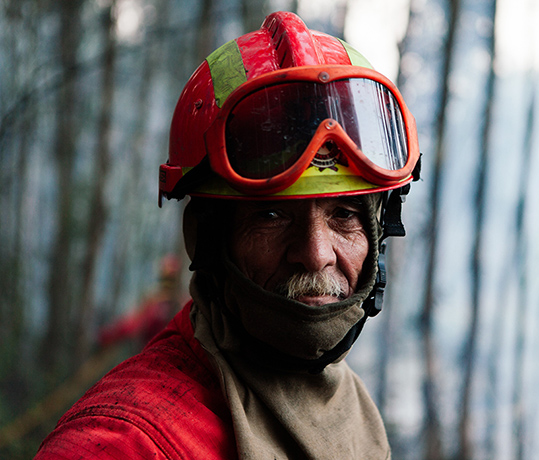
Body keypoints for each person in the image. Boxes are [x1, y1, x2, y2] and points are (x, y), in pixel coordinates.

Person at [35, 11, 420, 460]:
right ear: (207, 237)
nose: (315, 255)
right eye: (273, 214)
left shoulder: (348, 407)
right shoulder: (127, 445)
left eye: (344, 214)